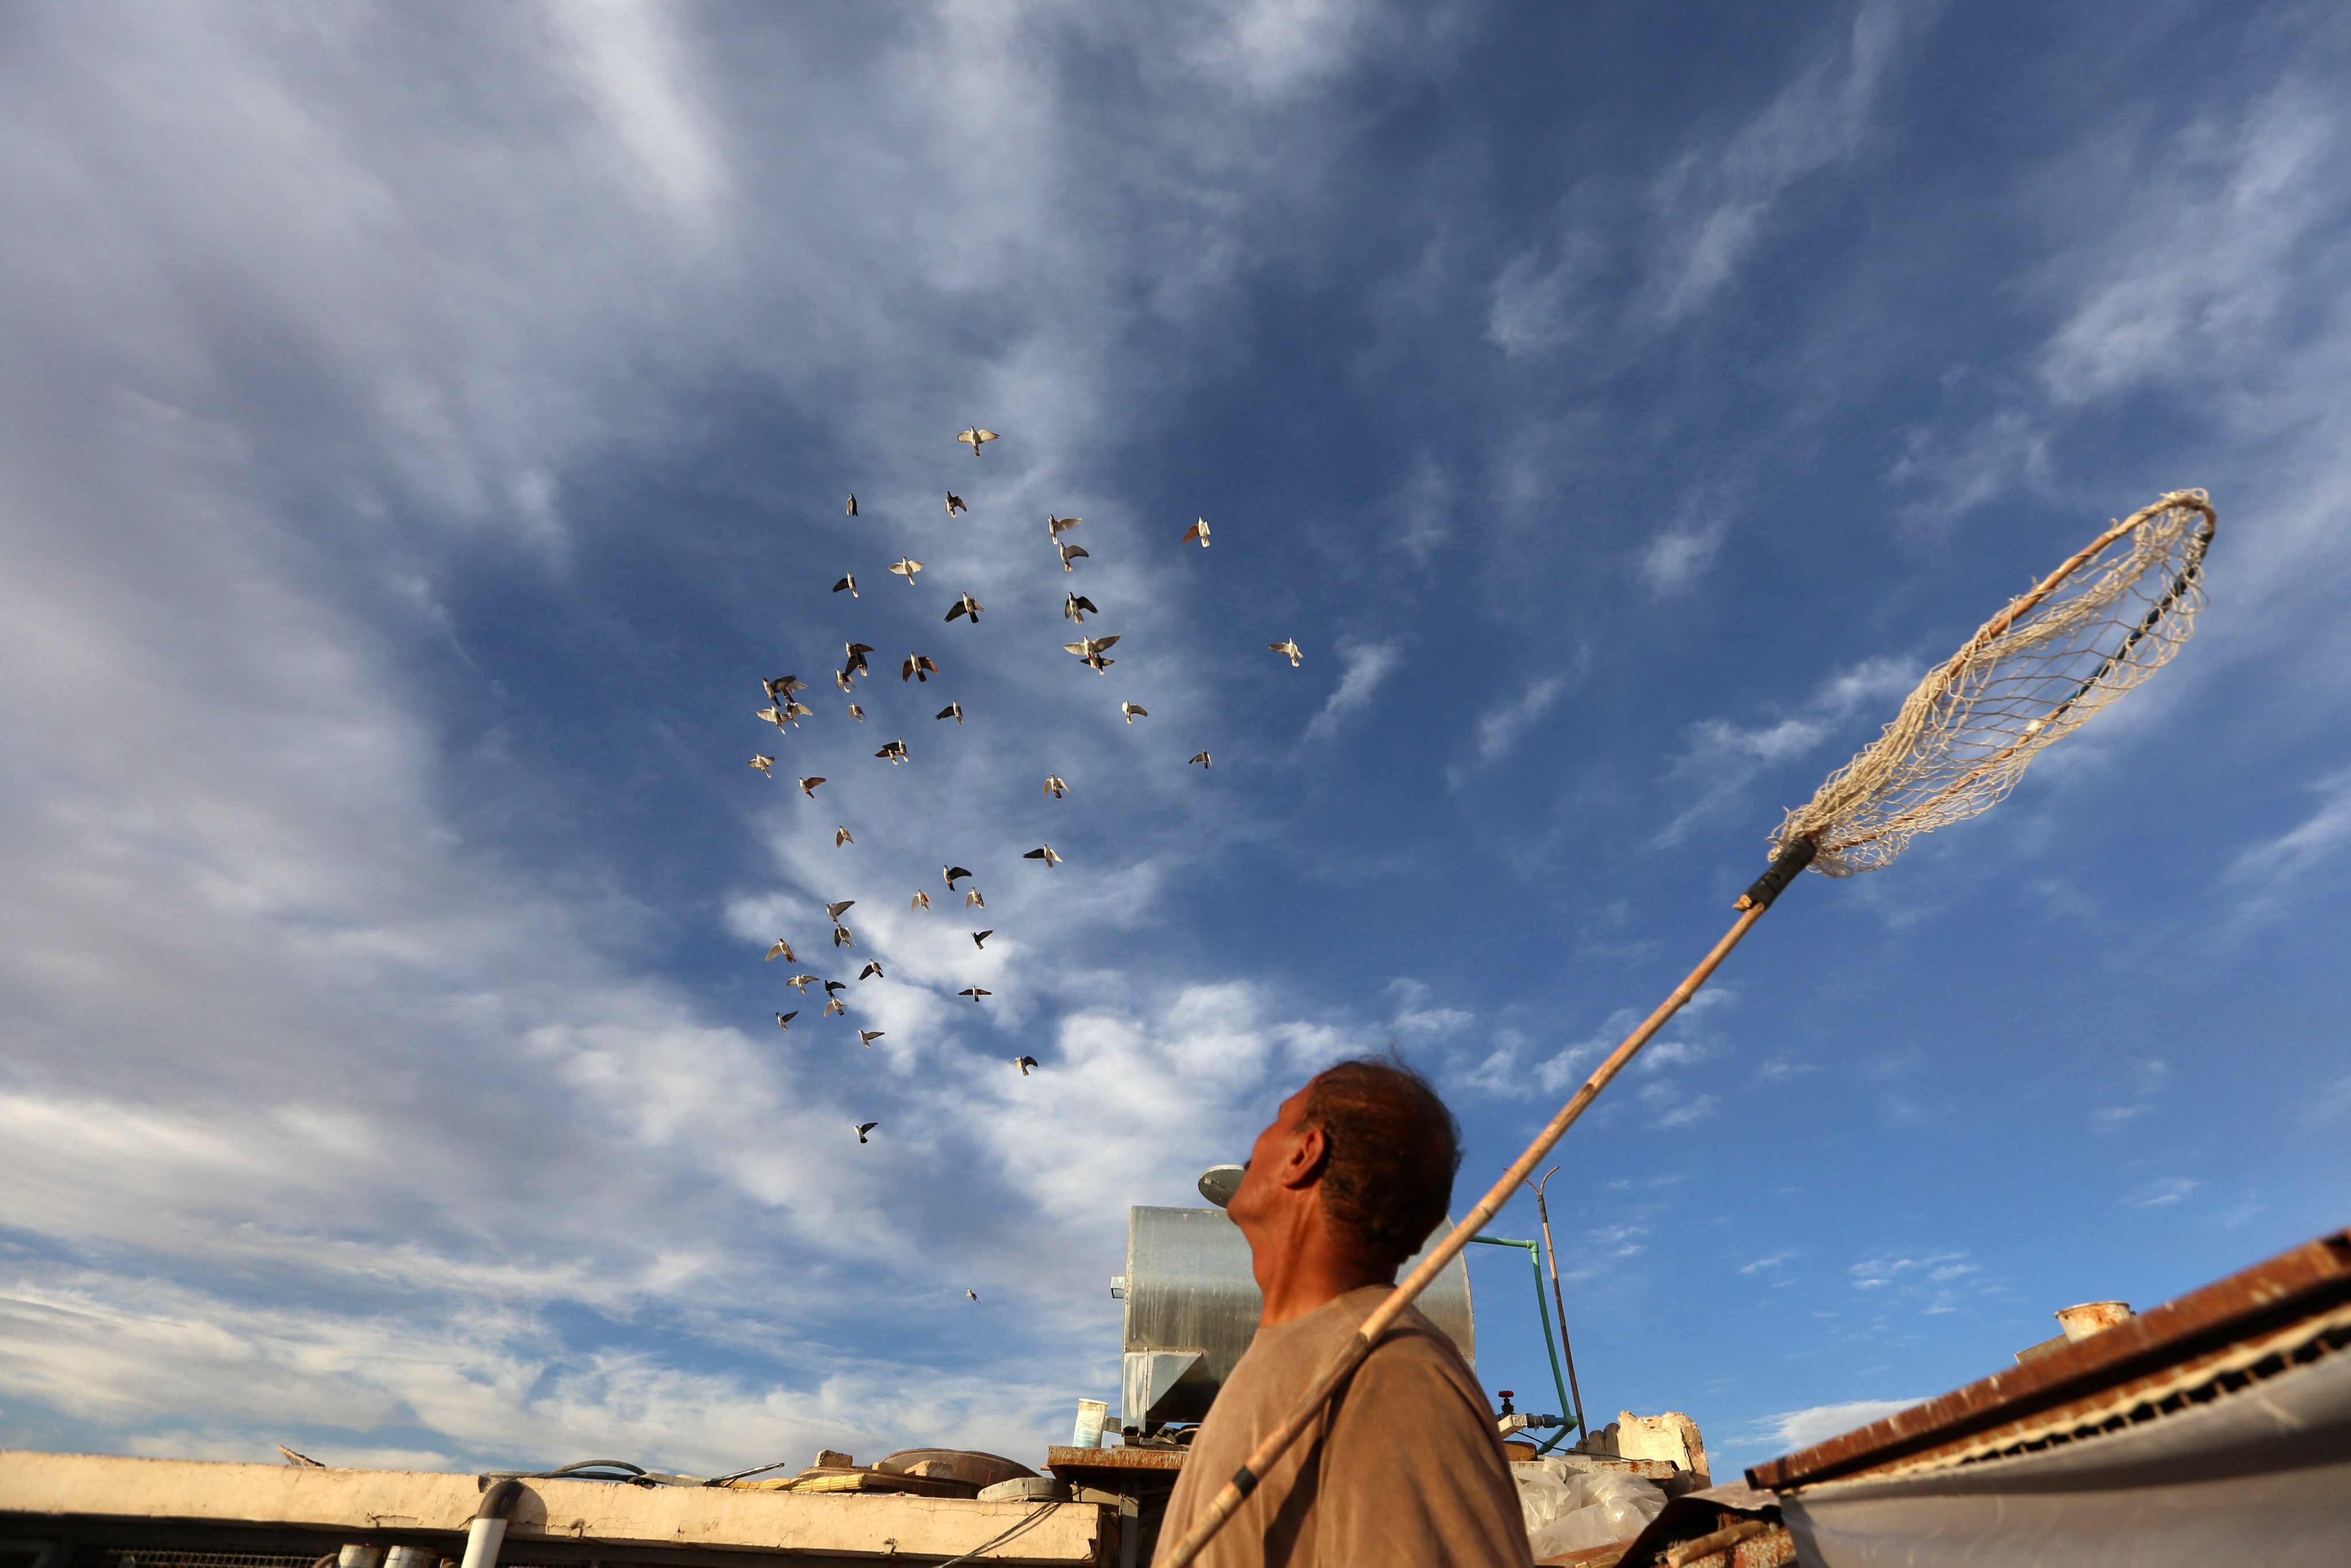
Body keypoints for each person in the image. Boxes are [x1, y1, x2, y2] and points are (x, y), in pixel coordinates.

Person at [1155, 1058, 1534, 1568]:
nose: (1252, 1146)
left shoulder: (1390, 1376)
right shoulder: (1300, 1353)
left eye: (1275, 1120)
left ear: (1304, 1155)